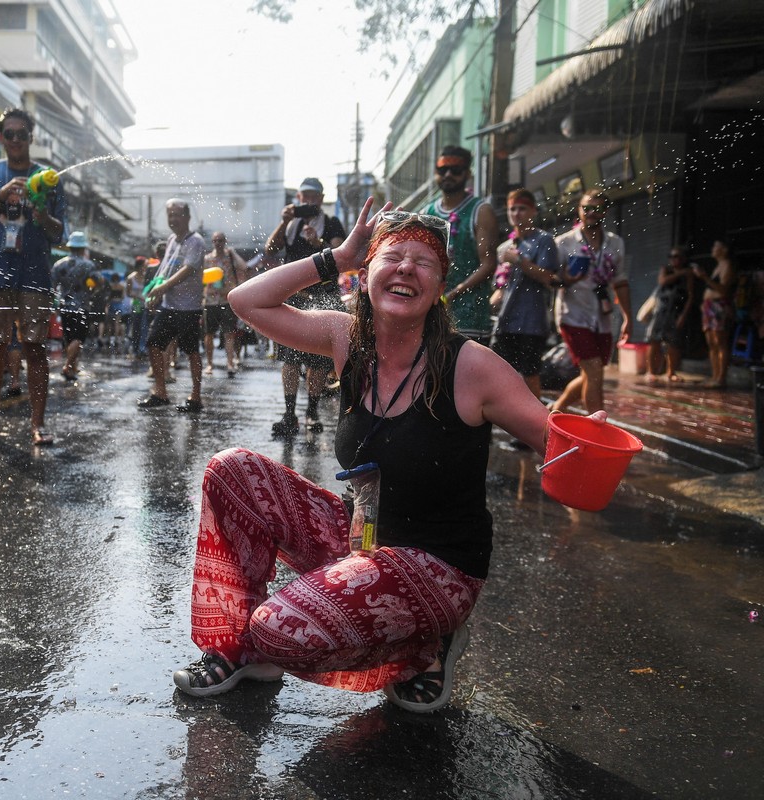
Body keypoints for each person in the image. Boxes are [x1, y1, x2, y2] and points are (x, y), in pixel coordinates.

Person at [171, 201, 606, 712]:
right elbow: (245, 301)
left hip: (439, 566)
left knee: (280, 628)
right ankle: (243, 652)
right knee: (231, 471)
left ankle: (426, 646)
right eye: (392, 257)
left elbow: (552, 438)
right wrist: (336, 256)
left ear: (439, 286)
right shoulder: (345, 338)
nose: (406, 268)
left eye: (423, 262)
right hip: (365, 540)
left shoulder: (472, 366)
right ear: (366, 275)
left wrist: (587, 442)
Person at [0, 107, 65, 447]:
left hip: (35, 277)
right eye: (10, 134)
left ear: (32, 138)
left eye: (23, 134)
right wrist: (3, 195)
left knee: (34, 350)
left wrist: (42, 212)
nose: (17, 139)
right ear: (0, 138)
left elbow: (59, 233)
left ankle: (38, 425)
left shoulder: (48, 178)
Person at [263, 178, 347, 434]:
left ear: (321, 198)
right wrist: (284, 220)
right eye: (304, 196)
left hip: (323, 297)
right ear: (298, 198)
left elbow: (341, 253)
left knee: (319, 359)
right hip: (294, 297)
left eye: (313, 196)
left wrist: (318, 244)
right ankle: (289, 414)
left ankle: (311, 412)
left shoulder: (331, 222)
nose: (308, 201)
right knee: (289, 358)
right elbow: (270, 248)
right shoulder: (292, 224)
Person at [552, 190, 632, 413]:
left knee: (592, 373)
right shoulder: (564, 243)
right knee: (594, 370)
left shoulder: (616, 243)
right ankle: (596, 431)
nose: (591, 213)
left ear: (605, 212)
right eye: (587, 208)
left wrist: (628, 318)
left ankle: (554, 412)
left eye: (597, 209)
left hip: (602, 318)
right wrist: (565, 279)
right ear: (579, 210)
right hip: (573, 315)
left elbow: (620, 282)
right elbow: (551, 279)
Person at [423, 146, 499, 343]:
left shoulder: (481, 211)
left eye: (456, 170)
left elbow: (489, 265)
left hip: (470, 317)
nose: (448, 174)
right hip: (431, 315)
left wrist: (452, 294)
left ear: (467, 174)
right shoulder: (427, 212)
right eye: (442, 169)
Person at [491, 188, 560, 398]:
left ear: (533, 212)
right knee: (499, 373)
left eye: (522, 209)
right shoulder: (504, 246)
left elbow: (548, 277)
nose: (516, 214)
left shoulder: (544, 240)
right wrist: (496, 296)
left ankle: (537, 424)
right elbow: (500, 285)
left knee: (530, 374)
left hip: (531, 322)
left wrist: (519, 261)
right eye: (512, 209)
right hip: (505, 321)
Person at [139, 199, 206, 413]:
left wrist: (162, 287)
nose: (173, 219)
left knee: (191, 350)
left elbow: (187, 269)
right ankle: (160, 392)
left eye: (176, 214)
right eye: (170, 215)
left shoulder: (196, 241)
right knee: (153, 344)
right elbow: (165, 268)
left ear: (187, 216)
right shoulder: (171, 240)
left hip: (189, 307)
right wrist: (154, 290)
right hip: (169, 306)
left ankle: (195, 396)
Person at [51, 230, 103, 381]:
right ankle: (67, 366)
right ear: (82, 248)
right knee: (78, 338)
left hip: (64, 306)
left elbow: (53, 286)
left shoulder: (59, 265)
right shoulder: (88, 265)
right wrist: (91, 290)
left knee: (69, 338)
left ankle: (73, 366)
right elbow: (98, 282)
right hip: (82, 306)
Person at [645, 247, 695, 382]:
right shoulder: (666, 269)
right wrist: (681, 273)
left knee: (674, 343)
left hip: (676, 311)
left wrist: (683, 315)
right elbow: (662, 281)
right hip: (661, 310)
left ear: (683, 259)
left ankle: (671, 372)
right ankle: (651, 371)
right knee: (654, 340)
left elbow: (691, 296)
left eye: (677, 257)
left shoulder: (688, 274)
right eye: (671, 257)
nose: (674, 260)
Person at [202, 231, 249, 376]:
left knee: (229, 333)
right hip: (210, 301)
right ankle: (209, 364)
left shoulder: (230, 256)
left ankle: (230, 363)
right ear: (212, 242)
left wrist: (233, 253)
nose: (218, 243)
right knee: (209, 334)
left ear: (225, 241)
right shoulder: (207, 259)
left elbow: (244, 267)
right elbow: (200, 277)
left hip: (227, 300)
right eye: (215, 240)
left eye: (221, 240)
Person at [692, 240, 736, 389]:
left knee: (721, 342)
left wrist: (704, 277)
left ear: (724, 249)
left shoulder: (728, 265)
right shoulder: (717, 266)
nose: (713, 248)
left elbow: (723, 290)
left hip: (720, 306)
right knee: (711, 343)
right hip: (709, 307)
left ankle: (721, 378)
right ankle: (715, 376)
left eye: (716, 246)